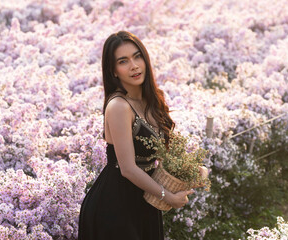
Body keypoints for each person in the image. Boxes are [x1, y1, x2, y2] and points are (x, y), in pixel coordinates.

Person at [78, 31, 198, 240]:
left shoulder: (151, 101)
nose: (133, 65)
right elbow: (128, 169)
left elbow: (159, 156)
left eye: (137, 56)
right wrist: (168, 197)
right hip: (115, 205)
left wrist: (190, 172)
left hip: (145, 200)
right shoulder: (118, 106)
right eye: (123, 61)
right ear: (113, 71)